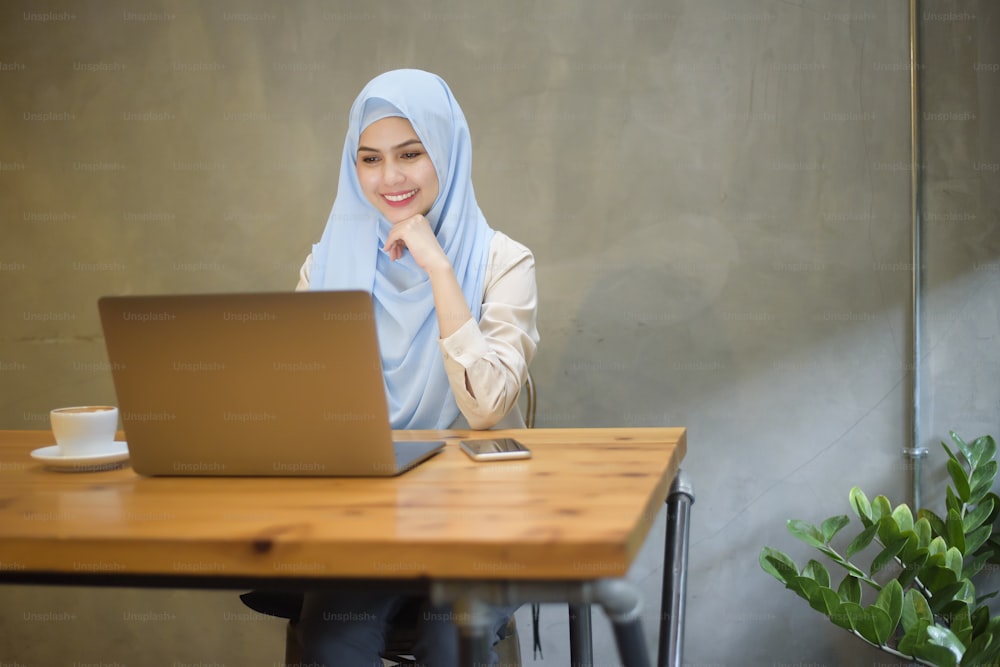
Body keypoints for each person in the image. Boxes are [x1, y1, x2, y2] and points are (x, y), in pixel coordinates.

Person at [293, 69, 539, 666]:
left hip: (479, 513)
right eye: (370, 159)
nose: (390, 177)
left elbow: (488, 408)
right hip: (363, 512)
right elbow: (300, 406)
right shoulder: (325, 265)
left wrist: (439, 270)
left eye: (411, 153)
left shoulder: (504, 261)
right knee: (332, 640)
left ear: (447, 151)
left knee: (449, 635)